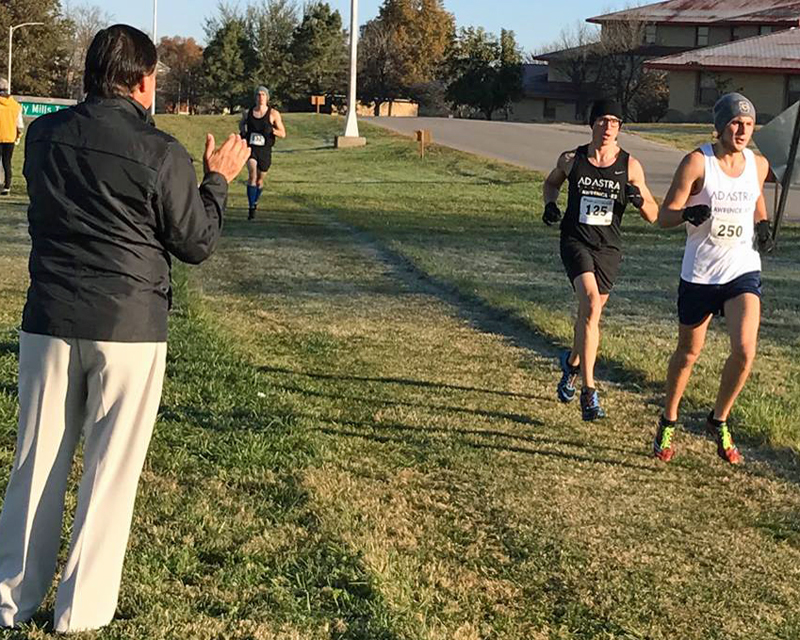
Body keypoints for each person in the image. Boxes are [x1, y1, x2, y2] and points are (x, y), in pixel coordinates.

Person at [0, 25, 249, 633]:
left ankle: (12, 597)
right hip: (128, 325)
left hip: (51, 318)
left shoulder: (43, 137)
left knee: (36, 461)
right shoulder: (160, 151)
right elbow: (194, 241)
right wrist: (216, 180)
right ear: (143, 80)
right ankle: (79, 612)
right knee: (110, 471)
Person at [652, 93, 772, 465]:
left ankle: (718, 419)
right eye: (735, 123)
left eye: (748, 124)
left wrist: (763, 225)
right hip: (701, 273)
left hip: (741, 269)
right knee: (689, 353)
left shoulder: (759, 163)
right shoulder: (697, 162)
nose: (742, 130)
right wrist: (689, 212)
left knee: (745, 350)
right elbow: (663, 216)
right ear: (720, 126)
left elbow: (754, 199)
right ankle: (668, 419)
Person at [542, 99, 658, 421]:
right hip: (575, 241)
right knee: (591, 305)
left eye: (615, 122)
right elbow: (551, 183)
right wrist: (550, 205)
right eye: (603, 120)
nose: (608, 128)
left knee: (589, 315)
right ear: (591, 123)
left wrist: (637, 200)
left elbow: (653, 214)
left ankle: (573, 364)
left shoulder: (631, 166)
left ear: (620, 128)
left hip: (608, 249)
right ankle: (589, 393)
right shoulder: (571, 159)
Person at [239, 85, 286, 220]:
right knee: (252, 174)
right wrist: (243, 132)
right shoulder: (248, 113)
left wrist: (272, 131)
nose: (260, 97)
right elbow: (242, 123)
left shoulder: (273, 114)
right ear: (255, 97)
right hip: (251, 148)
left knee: (260, 180)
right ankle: (251, 207)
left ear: (267, 98)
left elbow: (283, 133)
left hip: (265, 150)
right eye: (258, 95)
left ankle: (255, 200)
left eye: (263, 95)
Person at [0, 78, 24, 195]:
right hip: (10, 137)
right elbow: (19, 125)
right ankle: (7, 186)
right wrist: (18, 136)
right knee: (7, 162)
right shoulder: (15, 105)